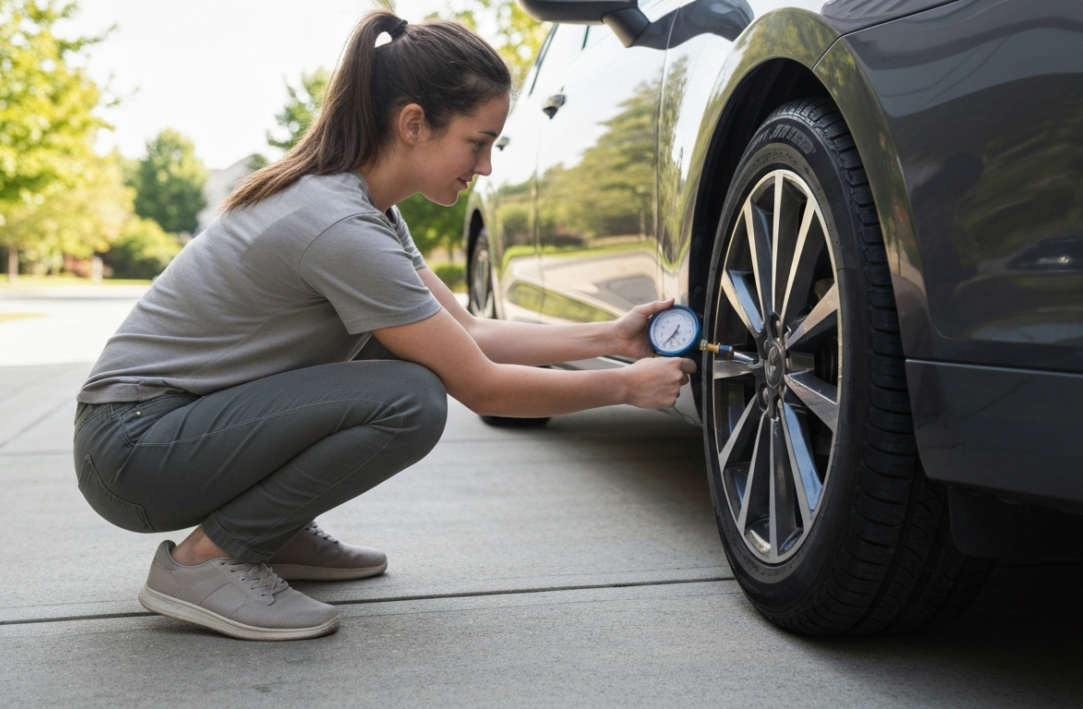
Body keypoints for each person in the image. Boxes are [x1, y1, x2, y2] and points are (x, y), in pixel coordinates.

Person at [72, 12, 696, 642]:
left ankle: (271, 530)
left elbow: (469, 334)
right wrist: (624, 388)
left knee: (409, 368)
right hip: (132, 451)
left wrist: (613, 340)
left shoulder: (367, 209)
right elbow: (481, 386)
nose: (485, 168)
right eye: (477, 143)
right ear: (414, 124)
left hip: (161, 433)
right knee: (412, 399)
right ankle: (206, 561)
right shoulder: (337, 226)